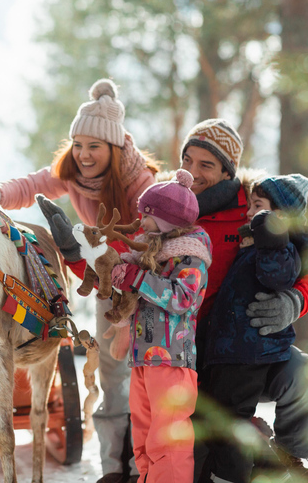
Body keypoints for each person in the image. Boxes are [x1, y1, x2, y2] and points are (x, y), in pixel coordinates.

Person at [0, 78, 161, 483]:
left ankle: (144, 468)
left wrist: (87, 257)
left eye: (94, 146)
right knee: (112, 375)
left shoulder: (141, 184)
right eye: (78, 144)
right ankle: (116, 469)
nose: (83, 155)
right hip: (102, 282)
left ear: (114, 148)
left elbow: (151, 244)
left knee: (142, 375)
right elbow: (30, 186)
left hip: (145, 286)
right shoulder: (71, 173)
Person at [176, 119, 308, 483]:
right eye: (187, 160)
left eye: (206, 165)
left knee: (303, 374)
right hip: (189, 347)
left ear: (228, 170)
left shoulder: (256, 206)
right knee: (202, 438)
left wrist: (294, 302)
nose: (192, 172)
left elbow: (304, 270)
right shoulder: (169, 206)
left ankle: (290, 455)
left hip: (247, 344)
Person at [108, 169, 212, 483]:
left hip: (172, 359)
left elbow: (184, 300)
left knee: (168, 439)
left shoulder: (190, 258)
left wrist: (138, 279)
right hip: (144, 359)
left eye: (148, 215)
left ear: (166, 220)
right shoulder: (150, 256)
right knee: (143, 437)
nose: (141, 220)